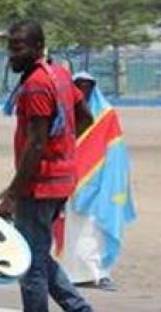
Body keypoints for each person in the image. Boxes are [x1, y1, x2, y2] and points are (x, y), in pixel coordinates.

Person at [0, 20, 109, 312]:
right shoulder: (60, 75)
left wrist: (13, 194)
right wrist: (63, 153)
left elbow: (36, 143)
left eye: (20, 48)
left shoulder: (36, 86)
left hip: (39, 185)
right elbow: (85, 117)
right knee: (39, 255)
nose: (14, 55)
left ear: (38, 46)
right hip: (60, 179)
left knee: (29, 264)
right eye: (11, 48)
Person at [56, 71, 136, 291]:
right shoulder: (64, 113)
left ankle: (98, 273)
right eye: (78, 85)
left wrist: (113, 180)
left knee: (96, 228)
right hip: (70, 180)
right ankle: (72, 273)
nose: (83, 89)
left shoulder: (107, 115)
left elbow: (116, 152)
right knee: (72, 229)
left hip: (100, 182)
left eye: (87, 85)